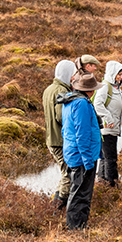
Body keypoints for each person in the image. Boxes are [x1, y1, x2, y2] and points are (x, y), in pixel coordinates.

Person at [60, 71, 102, 230]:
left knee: (77, 192)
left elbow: (65, 130)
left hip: (73, 154)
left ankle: (77, 226)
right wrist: (88, 161)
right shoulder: (82, 104)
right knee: (80, 194)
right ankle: (76, 228)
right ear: (89, 90)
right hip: (82, 157)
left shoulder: (70, 101)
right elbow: (82, 134)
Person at [40, 59, 76, 210]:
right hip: (60, 140)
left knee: (64, 172)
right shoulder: (62, 91)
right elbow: (61, 117)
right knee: (68, 174)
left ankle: (56, 205)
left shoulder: (49, 89)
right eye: (73, 73)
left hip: (52, 138)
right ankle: (59, 208)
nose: (74, 77)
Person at [93, 60, 122, 187]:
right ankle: (112, 185)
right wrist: (109, 119)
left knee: (105, 157)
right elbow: (98, 104)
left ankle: (102, 181)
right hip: (107, 128)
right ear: (112, 73)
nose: (121, 77)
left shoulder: (115, 87)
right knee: (111, 158)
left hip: (111, 128)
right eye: (119, 74)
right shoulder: (105, 87)